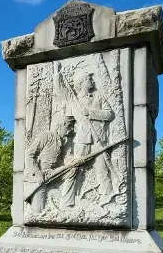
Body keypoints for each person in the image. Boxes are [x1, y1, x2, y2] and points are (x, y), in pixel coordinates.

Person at [57, 60, 119, 207]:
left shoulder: (99, 97)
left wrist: (91, 113)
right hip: (82, 138)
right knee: (75, 169)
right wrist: (56, 73)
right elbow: (61, 92)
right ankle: (67, 201)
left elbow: (110, 115)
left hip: (99, 138)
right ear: (82, 82)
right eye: (89, 79)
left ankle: (108, 199)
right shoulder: (75, 100)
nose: (92, 81)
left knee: (102, 170)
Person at [26, 116, 74, 212]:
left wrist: (71, 161)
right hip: (41, 175)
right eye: (69, 126)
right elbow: (30, 155)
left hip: (53, 173)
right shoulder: (47, 136)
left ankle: (67, 204)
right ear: (63, 124)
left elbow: (63, 159)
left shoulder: (64, 141)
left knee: (73, 170)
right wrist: (38, 173)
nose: (71, 129)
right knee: (38, 210)